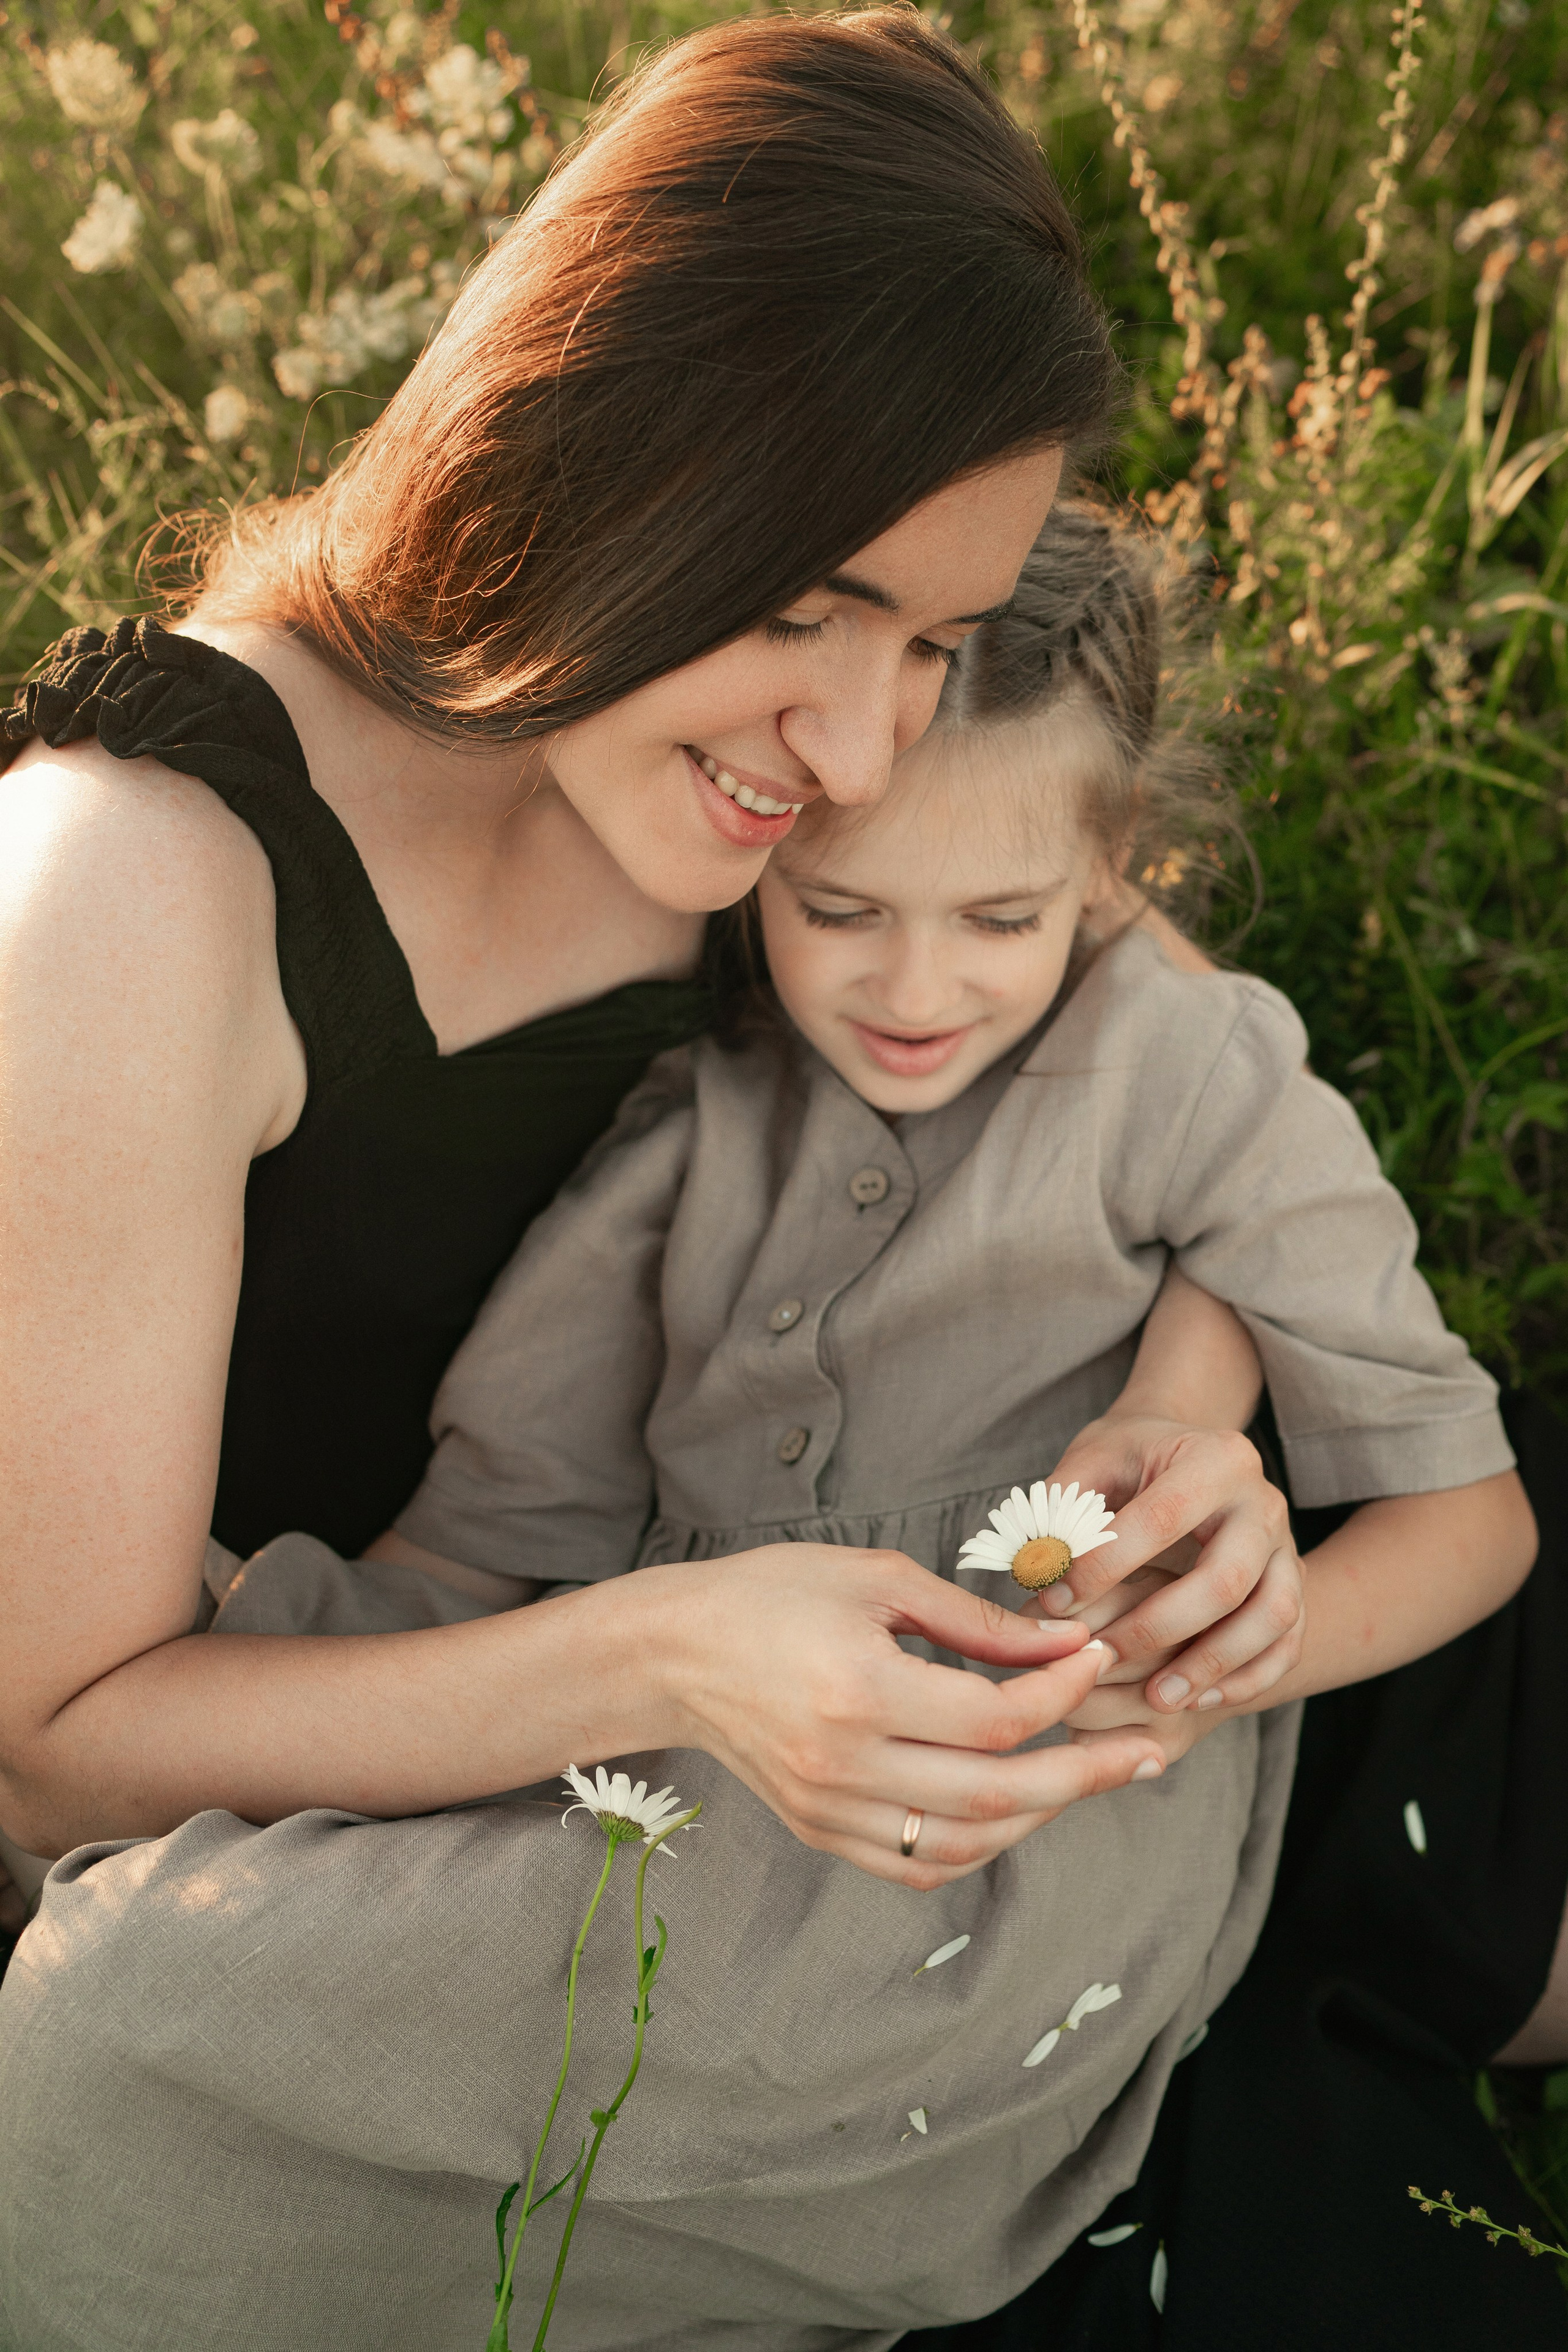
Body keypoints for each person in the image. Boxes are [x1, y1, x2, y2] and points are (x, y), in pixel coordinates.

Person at [0, 505, 1550, 2351]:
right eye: (842, 913)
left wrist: (1215, 1668)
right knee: (163, 1923)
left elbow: (1472, 1520)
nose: (917, 990)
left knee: (125, 2034)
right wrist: (230, 1659)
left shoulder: (1192, 1073)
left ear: (1111, 864)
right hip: (682, 1767)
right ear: (761, 862)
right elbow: (487, 1544)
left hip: (985, 1857)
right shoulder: (693, 1127)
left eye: (1001, 919)